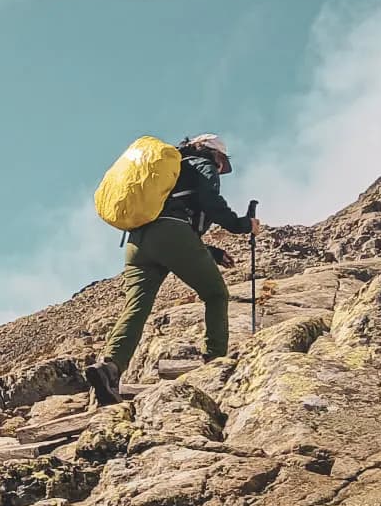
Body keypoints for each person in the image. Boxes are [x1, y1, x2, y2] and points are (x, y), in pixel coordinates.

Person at [90, 135, 261, 403]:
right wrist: (242, 225)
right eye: (222, 164)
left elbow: (181, 224)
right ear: (214, 155)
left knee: (136, 307)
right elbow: (209, 204)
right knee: (216, 294)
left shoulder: (171, 170)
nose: (221, 170)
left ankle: (110, 367)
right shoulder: (202, 165)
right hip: (171, 233)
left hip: (137, 240)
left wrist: (212, 253)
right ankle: (215, 360)